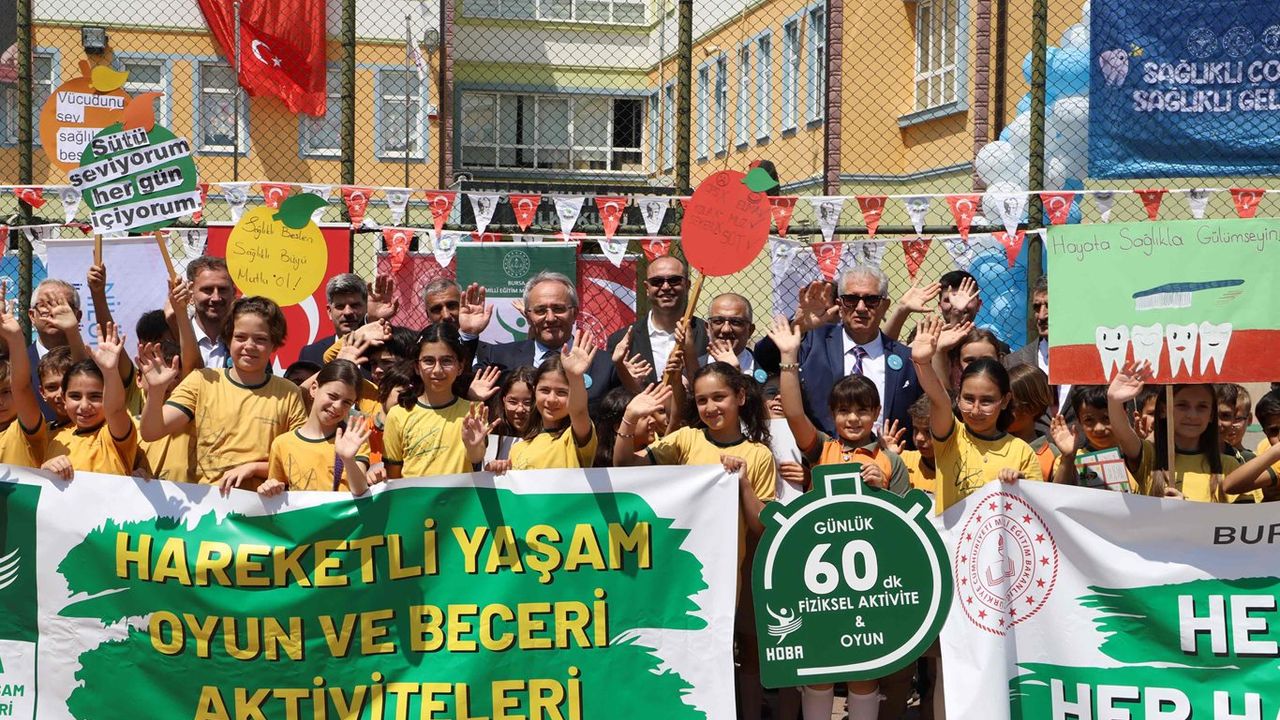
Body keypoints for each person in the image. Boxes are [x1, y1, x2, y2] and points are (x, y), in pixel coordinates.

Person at [766, 316, 909, 720]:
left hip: (870, 583)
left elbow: (907, 529)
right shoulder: (822, 449)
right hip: (818, 582)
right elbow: (795, 414)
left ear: (876, 412)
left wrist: (883, 488)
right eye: (844, 411)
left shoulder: (891, 461)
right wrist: (788, 357)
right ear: (832, 414)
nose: (853, 419)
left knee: (864, 672)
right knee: (820, 668)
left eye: (862, 411)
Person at [138, 296, 307, 491]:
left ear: (274, 344)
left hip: (264, 503)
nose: (249, 346)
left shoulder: (289, 393)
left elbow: (300, 459)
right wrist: (156, 391)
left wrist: (254, 468)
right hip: (210, 503)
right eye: (240, 337)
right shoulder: (202, 381)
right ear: (228, 339)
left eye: (260, 339)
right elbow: (152, 432)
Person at [755, 266, 921, 439]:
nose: (861, 307)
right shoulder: (813, 341)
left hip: (887, 453)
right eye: (851, 299)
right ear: (840, 305)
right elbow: (764, 358)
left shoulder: (905, 358)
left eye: (871, 300)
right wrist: (798, 327)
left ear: (885, 305)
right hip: (819, 451)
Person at [911, 315, 1040, 513]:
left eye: (987, 401)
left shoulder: (1022, 452)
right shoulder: (951, 437)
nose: (976, 410)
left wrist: (1021, 487)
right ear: (958, 398)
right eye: (969, 399)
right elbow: (938, 398)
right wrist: (922, 362)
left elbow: (1036, 511)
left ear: (1005, 401)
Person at [1106, 362, 1255, 502]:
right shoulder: (1151, 457)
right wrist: (1114, 401)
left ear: (1211, 414)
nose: (1192, 415)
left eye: (1202, 407)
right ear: (1163, 410)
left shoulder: (1229, 465)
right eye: (1182, 405)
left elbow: (1244, 517)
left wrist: (1185, 509)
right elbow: (1123, 434)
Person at [474, 272, 613, 408]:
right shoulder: (499, 357)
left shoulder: (606, 365)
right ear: (528, 317)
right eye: (540, 310)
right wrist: (469, 335)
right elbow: (464, 387)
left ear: (575, 313)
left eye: (558, 309)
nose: (550, 318)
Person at [383, 323, 492, 478]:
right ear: (417, 366)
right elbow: (393, 477)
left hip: (461, 494)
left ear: (460, 366)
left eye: (446, 361)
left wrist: (474, 446)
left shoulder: (473, 412)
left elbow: (476, 458)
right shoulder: (397, 415)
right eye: (428, 361)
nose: (437, 370)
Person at [259, 359, 374, 496]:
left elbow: (360, 490)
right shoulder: (282, 444)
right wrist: (269, 488)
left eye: (347, 402)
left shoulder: (353, 439)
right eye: (332, 396)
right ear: (314, 389)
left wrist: (348, 460)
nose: (337, 406)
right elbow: (277, 493)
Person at [491, 329, 599, 473]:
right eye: (545, 390)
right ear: (534, 391)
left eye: (562, 392)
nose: (552, 399)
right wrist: (499, 470)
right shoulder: (518, 448)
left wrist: (575, 377)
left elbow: (579, 412)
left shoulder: (574, 437)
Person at [40, 324, 137, 479]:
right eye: (75, 396)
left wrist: (110, 371)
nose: (84, 406)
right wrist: (45, 469)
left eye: (95, 396)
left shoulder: (112, 434)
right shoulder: (56, 439)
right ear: (64, 398)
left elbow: (116, 410)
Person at [606, 256, 707, 390]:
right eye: (657, 281)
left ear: (687, 285)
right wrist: (625, 378)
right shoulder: (621, 341)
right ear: (647, 288)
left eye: (674, 280)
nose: (665, 287)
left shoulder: (707, 334)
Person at [1049, 385, 1150, 491]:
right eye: (1089, 420)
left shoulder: (1139, 456)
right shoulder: (1069, 460)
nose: (1099, 428)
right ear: (1079, 421)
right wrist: (1068, 458)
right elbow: (1056, 493)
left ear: (1123, 415)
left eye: (1106, 418)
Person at [26, 280, 86, 420]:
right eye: (44, 305)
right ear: (32, 316)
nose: (53, 312)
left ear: (77, 316)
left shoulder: (94, 362)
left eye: (62, 305)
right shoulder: (16, 364)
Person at [0, 294, 47, 468]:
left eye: (6, 392)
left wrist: (14, 338)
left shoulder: (24, 428)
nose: (0, 401)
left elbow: (22, 386)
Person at [296, 274, 371, 365]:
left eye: (354, 305)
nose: (347, 312)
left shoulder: (381, 349)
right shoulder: (311, 354)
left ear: (366, 307)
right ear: (329, 312)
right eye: (340, 306)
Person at [181, 256, 237, 369]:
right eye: (207, 289)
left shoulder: (244, 344)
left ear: (233, 293)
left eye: (222, 289)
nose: (216, 298)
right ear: (191, 292)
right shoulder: (175, 340)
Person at [1007, 364, 1057, 482]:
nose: (1002, 410)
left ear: (1033, 408)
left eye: (1011, 406)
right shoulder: (990, 444)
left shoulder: (1052, 455)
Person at [697, 293, 761, 378]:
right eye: (718, 321)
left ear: (750, 330)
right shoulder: (692, 369)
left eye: (736, 322)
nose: (726, 329)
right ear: (707, 328)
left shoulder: (768, 372)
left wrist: (736, 374)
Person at [480, 366, 536, 463]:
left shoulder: (551, 438)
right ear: (504, 401)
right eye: (513, 402)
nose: (520, 409)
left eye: (528, 403)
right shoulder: (491, 434)